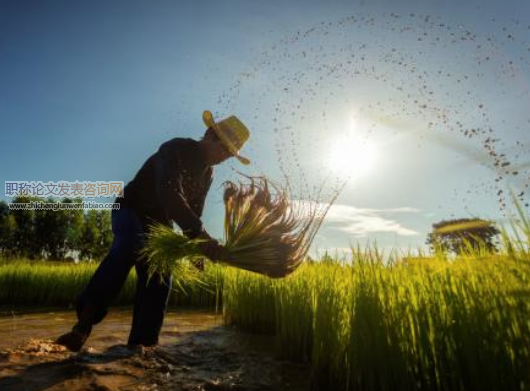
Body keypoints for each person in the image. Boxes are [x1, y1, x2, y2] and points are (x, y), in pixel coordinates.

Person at [56, 110, 251, 352]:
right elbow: (169, 194)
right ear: (210, 136)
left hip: (159, 223)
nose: (225, 157)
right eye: (224, 149)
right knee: (130, 244)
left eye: (231, 154)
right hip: (131, 207)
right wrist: (201, 236)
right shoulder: (176, 149)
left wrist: (194, 249)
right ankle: (82, 327)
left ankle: (141, 347)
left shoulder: (208, 174)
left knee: (161, 276)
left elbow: (194, 211)